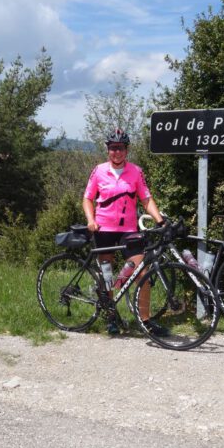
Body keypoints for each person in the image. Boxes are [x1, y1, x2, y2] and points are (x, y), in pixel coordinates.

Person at [82, 128, 169, 336]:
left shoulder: (136, 172)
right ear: (108, 150)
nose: (116, 152)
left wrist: (159, 219)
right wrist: (91, 220)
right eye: (113, 148)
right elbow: (88, 198)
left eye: (120, 148)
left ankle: (145, 321)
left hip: (128, 230)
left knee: (142, 273)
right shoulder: (98, 170)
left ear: (126, 150)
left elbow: (146, 198)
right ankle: (111, 317)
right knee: (107, 274)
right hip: (104, 229)